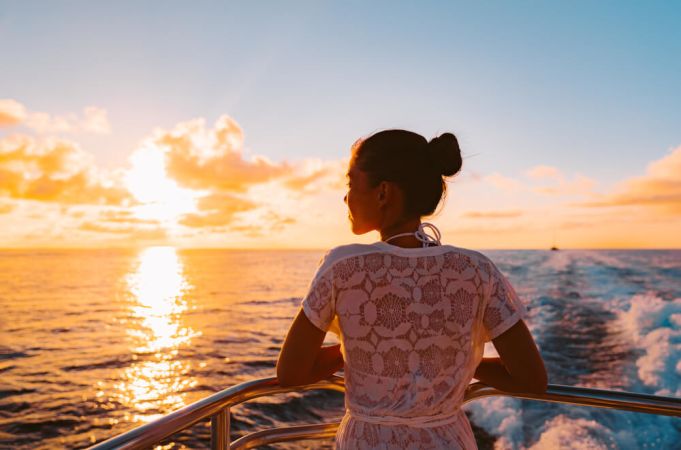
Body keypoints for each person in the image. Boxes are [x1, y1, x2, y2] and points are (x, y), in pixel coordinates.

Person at [277, 129, 547, 449]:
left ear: (383, 193)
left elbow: (291, 372)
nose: (346, 197)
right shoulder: (476, 270)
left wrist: (366, 354)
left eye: (351, 183)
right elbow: (531, 379)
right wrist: (456, 364)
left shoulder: (342, 266)